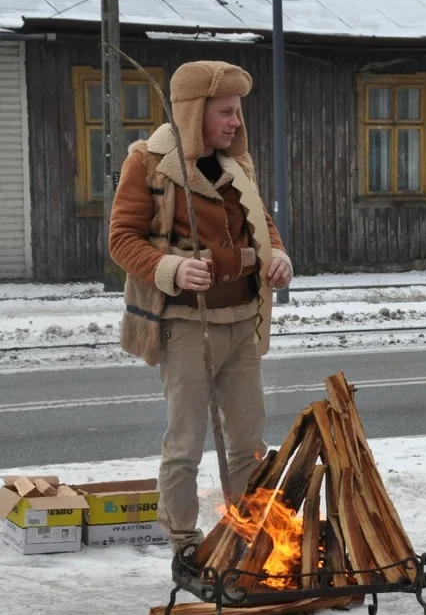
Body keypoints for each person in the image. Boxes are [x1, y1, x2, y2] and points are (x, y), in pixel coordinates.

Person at [109, 61, 293, 555]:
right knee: (186, 444)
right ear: (194, 113)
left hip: (242, 323)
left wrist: (277, 259)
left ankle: (247, 540)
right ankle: (185, 542)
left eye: (238, 112)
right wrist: (171, 269)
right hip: (186, 326)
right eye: (226, 112)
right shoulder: (147, 164)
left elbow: (262, 224)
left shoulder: (238, 164)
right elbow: (121, 240)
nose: (237, 122)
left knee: (248, 445)